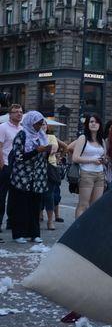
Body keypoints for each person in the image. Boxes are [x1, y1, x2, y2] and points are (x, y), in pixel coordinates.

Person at [8, 111, 49, 243]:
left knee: (35, 206)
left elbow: (43, 159)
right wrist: (36, 151)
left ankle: (34, 234)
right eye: (37, 124)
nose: (39, 126)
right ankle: (18, 234)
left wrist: (47, 151)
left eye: (41, 124)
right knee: (21, 206)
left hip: (37, 177)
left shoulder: (42, 135)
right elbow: (18, 157)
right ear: (30, 122)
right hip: (22, 177)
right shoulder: (22, 135)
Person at [73, 114, 106, 218]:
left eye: (96, 122)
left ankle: (90, 229)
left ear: (100, 125)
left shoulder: (102, 140)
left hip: (100, 174)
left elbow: (104, 156)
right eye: (91, 122)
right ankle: (78, 229)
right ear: (87, 124)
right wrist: (93, 160)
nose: (93, 124)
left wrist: (104, 160)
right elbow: (75, 158)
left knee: (95, 205)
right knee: (83, 204)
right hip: (86, 173)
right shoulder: (83, 138)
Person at [0, 103, 23, 233]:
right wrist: (2, 165)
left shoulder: (22, 129)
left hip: (18, 168)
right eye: (15, 112)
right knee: (2, 196)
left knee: (15, 197)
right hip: (5, 166)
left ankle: (11, 222)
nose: (19, 114)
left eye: (20, 112)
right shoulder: (3, 127)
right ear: (10, 114)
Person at [42, 123, 66, 230]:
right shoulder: (32, 136)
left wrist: (59, 157)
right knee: (37, 195)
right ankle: (38, 215)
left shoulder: (51, 137)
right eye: (40, 124)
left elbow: (53, 149)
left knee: (50, 195)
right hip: (36, 169)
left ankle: (51, 220)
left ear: (46, 127)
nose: (42, 126)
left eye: (44, 125)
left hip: (50, 168)